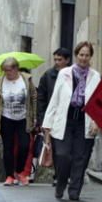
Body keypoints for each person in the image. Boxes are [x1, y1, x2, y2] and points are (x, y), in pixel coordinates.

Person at [41, 41, 101, 200]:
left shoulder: (95, 76)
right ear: (76, 55)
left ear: (91, 57)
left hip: (83, 120)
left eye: (87, 55)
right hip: (65, 119)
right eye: (81, 55)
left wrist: (96, 121)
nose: (84, 58)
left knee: (80, 158)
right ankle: (61, 182)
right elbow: (55, 99)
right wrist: (47, 126)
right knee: (63, 155)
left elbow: (97, 102)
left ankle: (75, 191)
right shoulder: (64, 73)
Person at [0, 57, 37, 186]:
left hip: (23, 118)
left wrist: (35, 117)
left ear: (16, 69)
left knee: (25, 145)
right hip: (6, 118)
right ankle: (9, 175)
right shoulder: (0, 83)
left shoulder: (26, 80)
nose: (6, 73)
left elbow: (33, 98)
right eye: (4, 71)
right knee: (8, 148)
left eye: (9, 70)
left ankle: (20, 171)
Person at [36, 47, 71, 184]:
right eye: (55, 59)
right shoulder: (47, 76)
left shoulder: (72, 75)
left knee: (67, 149)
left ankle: (66, 174)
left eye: (60, 59)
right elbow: (41, 98)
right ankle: (58, 174)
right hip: (52, 117)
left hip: (68, 116)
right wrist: (42, 118)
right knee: (55, 148)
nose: (57, 62)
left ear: (67, 60)